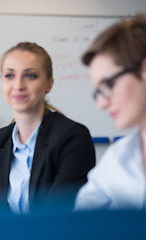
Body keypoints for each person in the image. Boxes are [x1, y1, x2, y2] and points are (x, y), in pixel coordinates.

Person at [0, 42, 96, 214]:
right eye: (9, 76)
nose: (18, 85)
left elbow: (58, 218)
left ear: (49, 84)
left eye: (31, 76)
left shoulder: (73, 138)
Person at [75, 14, 146, 211]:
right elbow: (80, 222)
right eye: (97, 91)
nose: (101, 104)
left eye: (107, 85)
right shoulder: (118, 158)